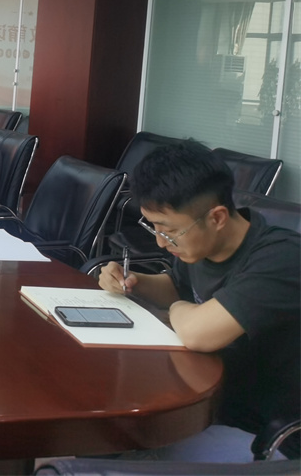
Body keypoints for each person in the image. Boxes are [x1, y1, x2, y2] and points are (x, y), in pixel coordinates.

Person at [98, 140, 300, 462]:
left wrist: (178, 310)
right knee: (106, 433)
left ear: (217, 217)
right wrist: (133, 282)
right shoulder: (203, 245)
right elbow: (179, 290)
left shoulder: (283, 258)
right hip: (206, 402)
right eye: (153, 227)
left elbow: (197, 333)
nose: (161, 243)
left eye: (169, 231)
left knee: (121, 452)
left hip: (266, 435)